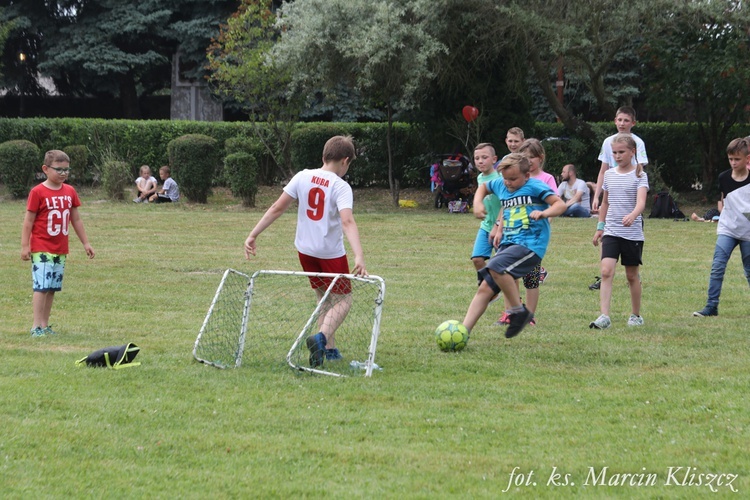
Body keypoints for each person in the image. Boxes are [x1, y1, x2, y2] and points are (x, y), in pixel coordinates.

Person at [244, 135, 367, 367]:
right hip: (330, 253)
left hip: (305, 251)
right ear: (345, 161)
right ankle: (321, 339)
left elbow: (276, 207)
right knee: (343, 300)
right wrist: (359, 255)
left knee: (323, 298)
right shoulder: (341, 186)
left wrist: (253, 234)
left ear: (323, 156)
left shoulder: (302, 176)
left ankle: (328, 350)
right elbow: (347, 221)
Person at [462, 153, 566, 339]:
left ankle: (518, 311)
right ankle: (463, 332)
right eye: (505, 178)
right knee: (485, 288)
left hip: (530, 245)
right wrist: (477, 203)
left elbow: (560, 205)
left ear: (526, 175)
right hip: (508, 244)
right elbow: (484, 187)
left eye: (513, 179)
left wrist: (544, 213)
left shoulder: (535, 186)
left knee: (495, 266)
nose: (508, 183)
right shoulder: (501, 185)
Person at [21, 150, 96, 337]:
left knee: (52, 288)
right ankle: (36, 326)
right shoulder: (37, 192)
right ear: (45, 169)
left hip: (60, 249)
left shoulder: (69, 191)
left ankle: (45, 325)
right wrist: (25, 246)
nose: (63, 173)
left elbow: (75, 219)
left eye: (66, 170)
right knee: (41, 287)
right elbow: (28, 221)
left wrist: (86, 243)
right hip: (42, 247)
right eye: (59, 170)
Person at [494, 138, 555, 326]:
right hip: (512, 235)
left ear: (540, 158)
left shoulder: (545, 180)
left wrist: (544, 218)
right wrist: (498, 228)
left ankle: (530, 315)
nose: (528, 161)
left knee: (531, 279)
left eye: (531, 158)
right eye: (524, 157)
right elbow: (506, 206)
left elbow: (553, 205)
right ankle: (510, 312)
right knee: (508, 276)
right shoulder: (512, 180)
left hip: (533, 240)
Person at [590, 134, 649, 329]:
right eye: (614, 152)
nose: (617, 156)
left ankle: (636, 315)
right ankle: (604, 316)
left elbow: (641, 202)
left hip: (632, 233)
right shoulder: (609, 175)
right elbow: (605, 203)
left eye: (621, 152)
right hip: (612, 231)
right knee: (606, 271)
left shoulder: (640, 175)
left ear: (632, 152)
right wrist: (600, 227)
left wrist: (633, 215)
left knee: (631, 275)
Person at [692, 137, 750, 317]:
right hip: (728, 230)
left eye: (737, 159)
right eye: (730, 159)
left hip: (748, 233)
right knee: (717, 266)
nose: (733, 163)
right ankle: (711, 306)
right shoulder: (723, 177)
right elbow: (724, 201)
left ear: (747, 159)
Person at [591, 106, 648, 213]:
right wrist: (596, 196)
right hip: (613, 184)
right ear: (615, 121)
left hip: (629, 186)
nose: (622, 124)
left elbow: (640, 168)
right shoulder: (608, 142)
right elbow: (603, 171)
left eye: (626, 121)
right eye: (620, 120)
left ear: (633, 123)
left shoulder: (638, 142)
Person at [470, 143, 501, 283]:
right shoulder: (480, 178)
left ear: (494, 159)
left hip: (503, 228)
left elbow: (506, 205)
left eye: (484, 157)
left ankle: (516, 301)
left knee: (503, 267)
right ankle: (491, 288)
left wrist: (499, 225)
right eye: (477, 158)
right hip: (487, 226)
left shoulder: (501, 179)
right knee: (477, 259)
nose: (480, 161)